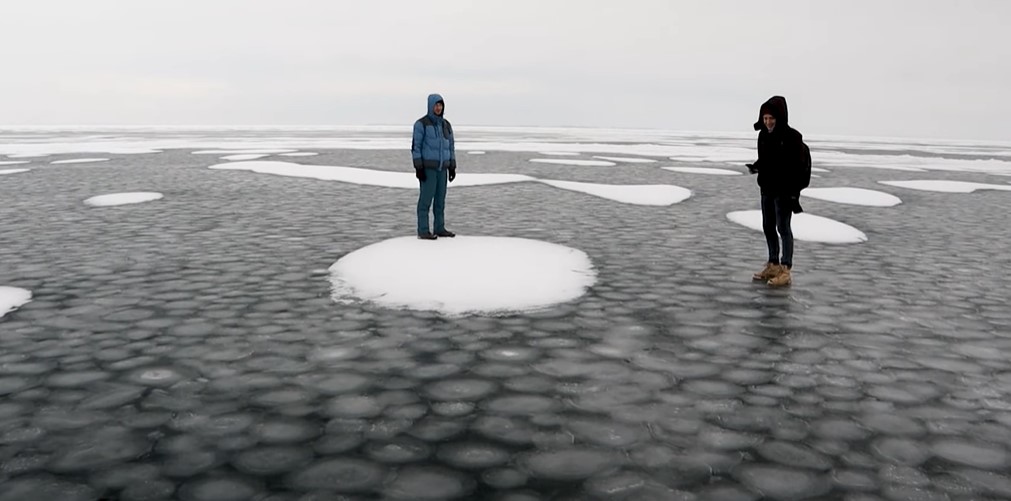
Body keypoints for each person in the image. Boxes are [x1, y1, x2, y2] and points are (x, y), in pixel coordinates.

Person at [746, 96, 807, 287]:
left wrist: (793, 194)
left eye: (771, 118)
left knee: (783, 228)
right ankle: (773, 264)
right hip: (767, 189)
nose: (768, 122)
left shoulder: (792, 137)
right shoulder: (763, 135)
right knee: (768, 226)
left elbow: (798, 167)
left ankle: (785, 269)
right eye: (764, 118)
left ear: (779, 117)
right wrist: (756, 167)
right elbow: (765, 159)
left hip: (784, 191)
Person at [411, 93, 457, 240]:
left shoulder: (446, 125)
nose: (438, 108)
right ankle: (423, 230)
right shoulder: (421, 124)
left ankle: (439, 227)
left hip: (442, 168)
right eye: (436, 105)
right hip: (428, 169)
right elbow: (416, 147)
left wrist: (452, 166)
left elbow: (450, 147)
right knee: (425, 200)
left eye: (440, 105)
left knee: (440, 200)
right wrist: (419, 167)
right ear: (430, 106)